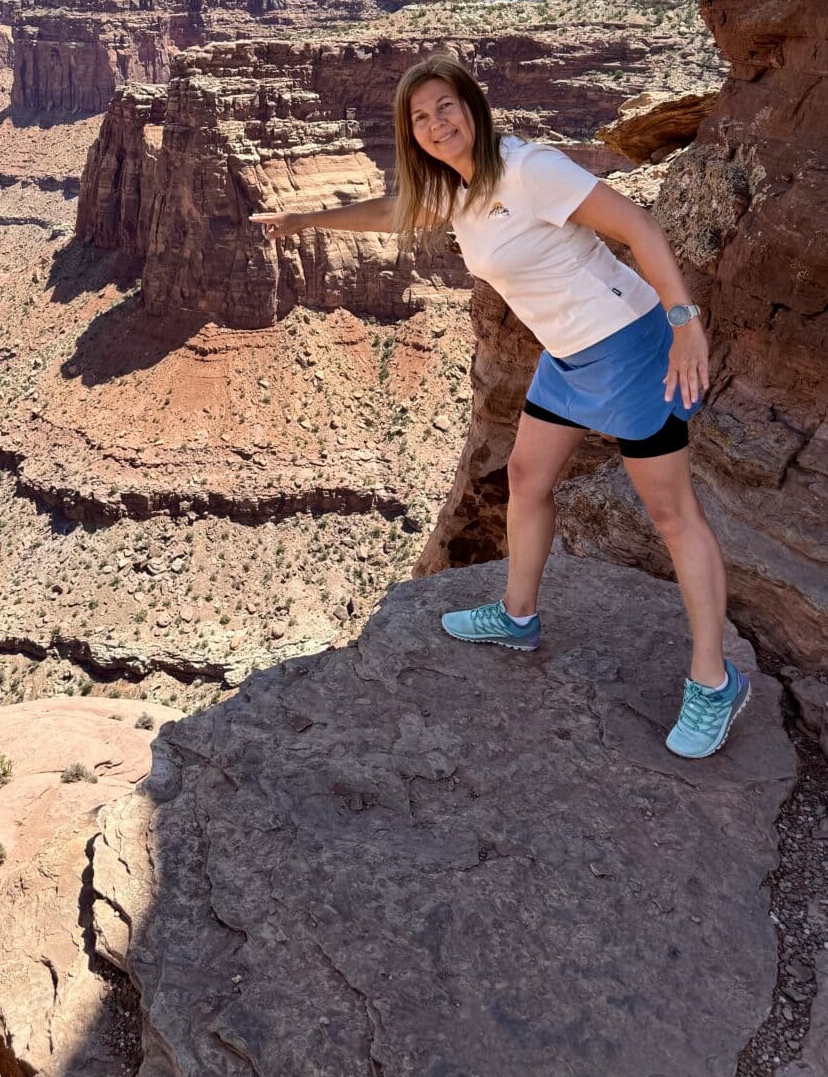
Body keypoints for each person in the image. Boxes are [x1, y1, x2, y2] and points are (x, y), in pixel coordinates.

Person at [250, 51, 749, 760]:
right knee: (525, 478)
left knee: (672, 515)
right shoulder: (457, 185)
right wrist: (305, 218)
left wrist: (683, 323)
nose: (434, 124)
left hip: (630, 347)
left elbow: (639, 226)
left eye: (444, 107)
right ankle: (519, 616)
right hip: (567, 357)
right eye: (419, 118)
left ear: (473, 106)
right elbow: (395, 210)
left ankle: (714, 680)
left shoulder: (530, 169)